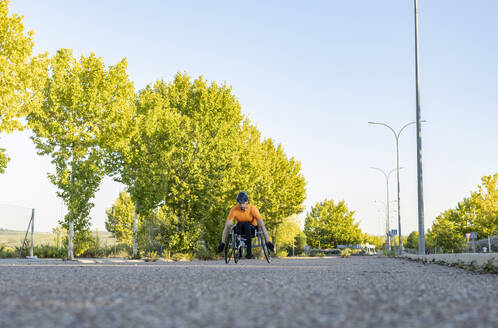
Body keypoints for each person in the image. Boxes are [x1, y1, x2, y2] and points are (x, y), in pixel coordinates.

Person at [217, 192, 274, 259]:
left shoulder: (253, 209)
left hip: (252, 229)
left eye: (243, 203)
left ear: (247, 202)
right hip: (240, 228)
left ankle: (249, 253)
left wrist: (268, 241)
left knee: (246, 224)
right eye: (240, 204)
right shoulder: (234, 210)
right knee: (239, 224)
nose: (241, 206)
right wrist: (222, 243)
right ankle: (239, 253)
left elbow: (262, 226)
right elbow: (227, 227)